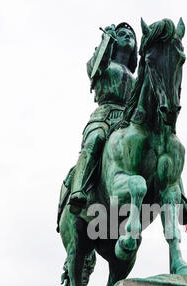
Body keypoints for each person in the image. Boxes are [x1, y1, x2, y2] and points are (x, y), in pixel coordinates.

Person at [68, 22, 138, 214]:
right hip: (105, 116)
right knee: (95, 139)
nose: (127, 37)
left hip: (129, 118)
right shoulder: (104, 65)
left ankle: (178, 197)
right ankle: (78, 188)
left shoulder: (135, 76)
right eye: (122, 34)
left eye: (131, 35)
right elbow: (94, 68)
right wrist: (106, 40)